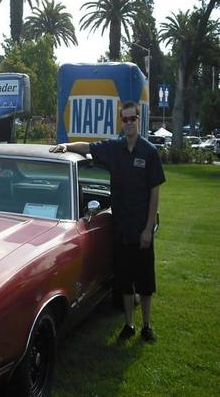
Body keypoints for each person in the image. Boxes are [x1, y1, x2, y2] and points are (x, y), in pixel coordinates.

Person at [49, 101, 165, 342]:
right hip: (120, 226)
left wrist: (148, 229)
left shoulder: (149, 152)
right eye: (125, 119)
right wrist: (66, 145)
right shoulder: (114, 148)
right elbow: (87, 147)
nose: (130, 123)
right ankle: (129, 325)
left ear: (139, 121)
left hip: (141, 227)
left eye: (133, 119)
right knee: (123, 280)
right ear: (121, 122)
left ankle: (147, 325)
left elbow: (155, 192)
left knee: (144, 280)